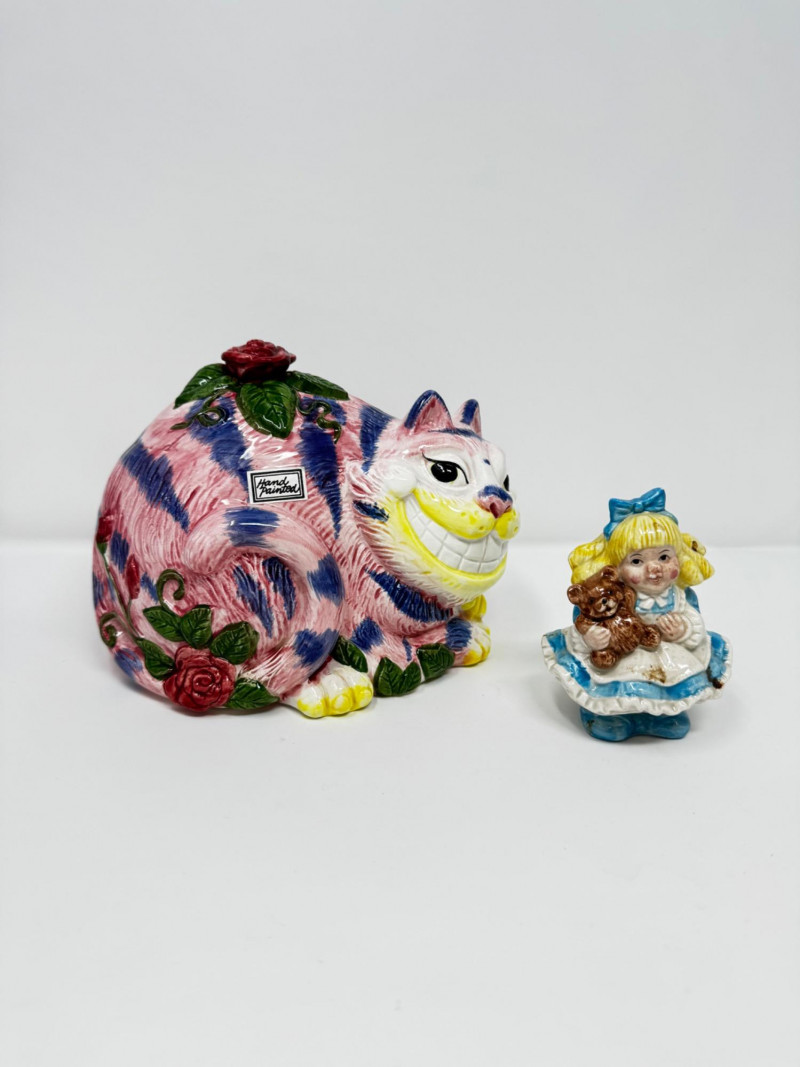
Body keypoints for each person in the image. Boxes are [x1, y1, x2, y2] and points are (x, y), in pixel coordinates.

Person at [542, 488, 731, 741]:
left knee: (669, 686)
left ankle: (662, 716)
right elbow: (582, 622)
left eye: (664, 557)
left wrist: (683, 630)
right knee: (611, 684)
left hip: (664, 654)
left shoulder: (678, 596)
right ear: (615, 568)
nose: (654, 569)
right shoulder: (607, 596)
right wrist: (591, 639)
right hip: (620, 657)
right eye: (637, 561)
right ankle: (609, 716)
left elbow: (694, 621)